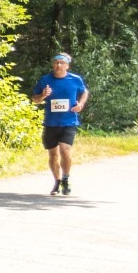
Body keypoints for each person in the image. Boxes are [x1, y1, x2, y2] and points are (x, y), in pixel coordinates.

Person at [32, 52, 89, 195]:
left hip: (69, 121)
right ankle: (57, 182)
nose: (59, 65)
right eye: (56, 63)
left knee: (65, 150)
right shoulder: (45, 80)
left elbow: (84, 92)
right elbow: (35, 99)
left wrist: (80, 104)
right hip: (51, 123)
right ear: (53, 65)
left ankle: (66, 178)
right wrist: (43, 95)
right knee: (53, 154)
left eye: (62, 63)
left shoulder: (75, 79)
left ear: (67, 66)